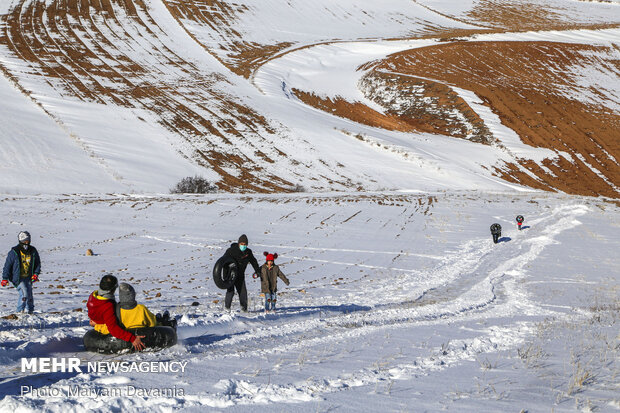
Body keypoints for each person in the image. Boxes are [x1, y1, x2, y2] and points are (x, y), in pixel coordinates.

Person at [87, 275, 145, 351]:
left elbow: (94, 311)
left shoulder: (93, 296)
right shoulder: (107, 306)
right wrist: (132, 338)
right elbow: (113, 329)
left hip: (98, 324)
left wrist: (96, 321)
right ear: (112, 289)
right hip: (104, 328)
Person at [1, 231, 41, 314]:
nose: (26, 243)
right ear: (20, 241)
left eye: (28, 241)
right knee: (24, 294)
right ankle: (19, 313)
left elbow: (37, 263)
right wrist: (5, 278)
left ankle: (30, 312)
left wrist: (35, 274)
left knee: (29, 295)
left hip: (28, 277)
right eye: (24, 241)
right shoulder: (14, 252)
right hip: (17, 278)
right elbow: (7, 266)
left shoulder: (33, 251)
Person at [108, 283, 176, 330]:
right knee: (161, 322)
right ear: (133, 296)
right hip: (144, 333)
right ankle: (165, 321)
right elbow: (152, 323)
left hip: (126, 334)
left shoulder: (116, 310)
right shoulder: (141, 308)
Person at [223, 234, 261, 312]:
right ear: (238, 243)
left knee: (243, 292)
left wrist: (257, 271)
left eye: (245, 244)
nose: (243, 246)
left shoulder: (248, 252)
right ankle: (227, 308)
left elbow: (253, 262)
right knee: (230, 291)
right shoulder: (231, 251)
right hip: (230, 275)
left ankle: (244, 309)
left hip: (240, 275)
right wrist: (225, 276)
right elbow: (223, 263)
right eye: (242, 244)